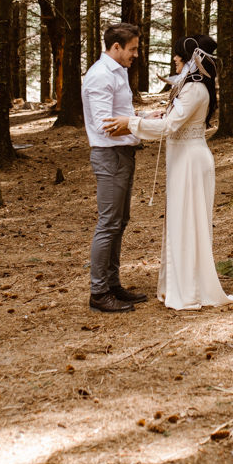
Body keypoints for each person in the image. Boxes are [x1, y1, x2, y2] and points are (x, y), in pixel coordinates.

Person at [104, 34, 233, 312]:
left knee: (189, 223)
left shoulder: (195, 88)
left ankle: (190, 290)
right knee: (179, 222)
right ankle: (177, 285)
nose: (175, 59)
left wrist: (132, 123)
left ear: (192, 59)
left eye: (179, 55)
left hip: (190, 161)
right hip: (182, 160)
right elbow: (170, 119)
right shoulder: (188, 86)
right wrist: (147, 117)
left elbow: (170, 127)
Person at [82, 23, 148, 314]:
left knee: (120, 222)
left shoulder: (118, 71)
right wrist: (141, 126)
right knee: (108, 224)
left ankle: (113, 284)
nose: (136, 54)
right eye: (132, 49)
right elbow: (104, 126)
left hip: (123, 154)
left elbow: (121, 116)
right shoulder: (99, 76)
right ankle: (98, 293)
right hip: (109, 157)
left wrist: (144, 117)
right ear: (116, 47)